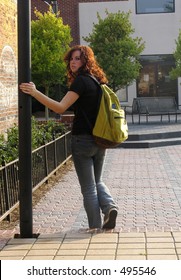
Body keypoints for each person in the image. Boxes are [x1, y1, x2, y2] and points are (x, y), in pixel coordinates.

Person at [20, 45, 118, 230]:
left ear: (86, 61)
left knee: (88, 187)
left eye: (78, 58)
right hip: (100, 139)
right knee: (97, 181)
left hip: (83, 141)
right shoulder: (98, 81)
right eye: (72, 58)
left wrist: (34, 92)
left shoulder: (81, 81)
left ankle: (94, 227)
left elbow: (60, 108)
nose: (73, 62)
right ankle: (110, 207)